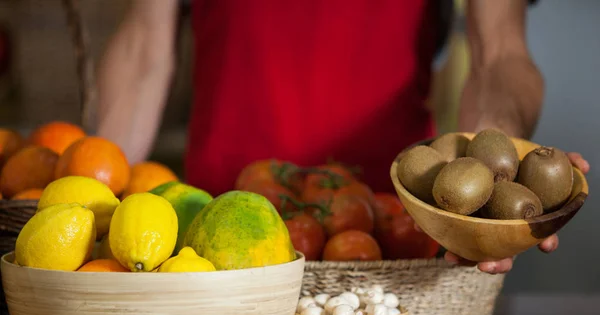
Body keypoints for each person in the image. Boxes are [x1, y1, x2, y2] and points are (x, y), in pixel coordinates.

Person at [95, 0, 589, 274]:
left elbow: (499, 52)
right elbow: (142, 47)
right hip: (213, 237)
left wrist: (493, 174)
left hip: (394, 237)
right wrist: (91, 191)